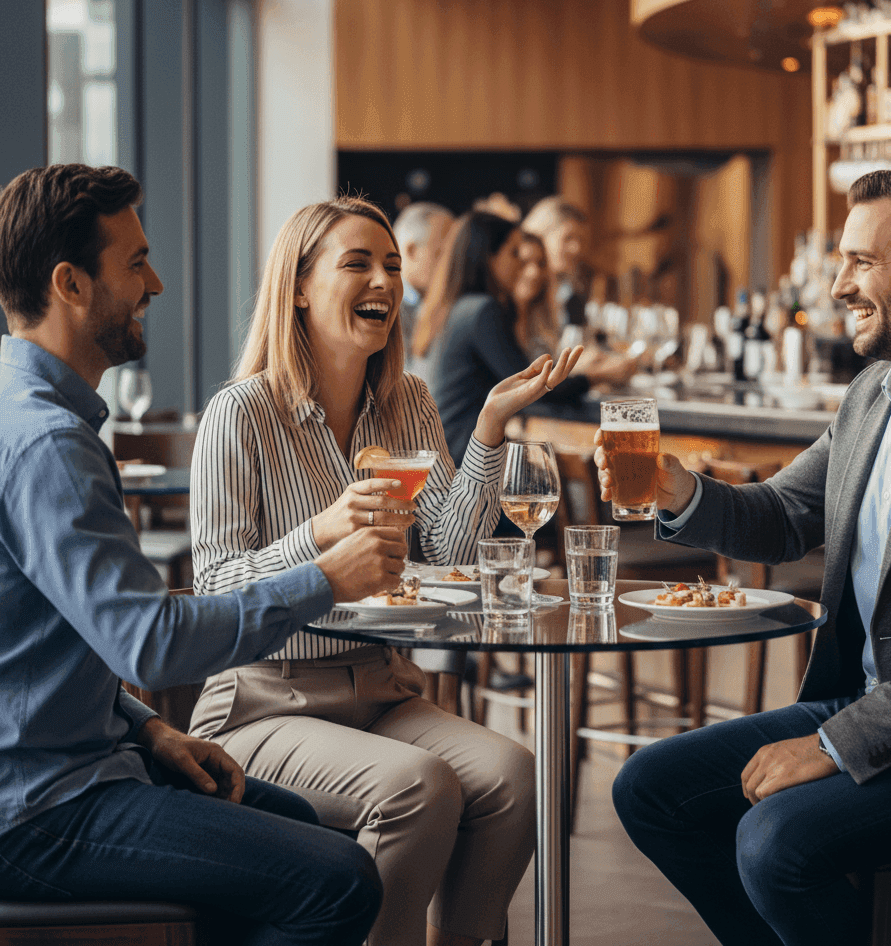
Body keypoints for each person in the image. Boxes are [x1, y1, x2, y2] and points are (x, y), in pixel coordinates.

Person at [601, 166, 891, 946]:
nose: (837, 285)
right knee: (650, 789)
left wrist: (834, 745)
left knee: (775, 843)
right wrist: (673, 489)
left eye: (863, 261)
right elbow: (782, 518)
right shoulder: (874, 394)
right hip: (865, 704)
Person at [0, 164, 398, 945]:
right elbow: (149, 643)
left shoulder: (26, 410)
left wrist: (146, 729)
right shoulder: (49, 444)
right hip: (37, 808)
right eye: (135, 261)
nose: (155, 282)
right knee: (340, 879)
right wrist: (325, 579)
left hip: (67, 760)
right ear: (70, 284)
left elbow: (39, 644)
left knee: (294, 824)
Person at [188, 195, 582, 946]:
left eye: (394, 265)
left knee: (513, 776)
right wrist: (319, 537)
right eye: (358, 263)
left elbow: (450, 556)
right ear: (299, 286)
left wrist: (491, 429)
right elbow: (213, 592)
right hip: (265, 704)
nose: (384, 281)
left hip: (384, 688)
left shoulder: (407, 404)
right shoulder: (241, 414)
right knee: (419, 788)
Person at [413, 210, 590, 467]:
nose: (521, 263)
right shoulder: (483, 310)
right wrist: (593, 377)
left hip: (445, 456)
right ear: (490, 257)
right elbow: (532, 387)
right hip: (465, 462)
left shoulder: (457, 307)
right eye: (514, 253)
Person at [512, 231, 638, 387]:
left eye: (541, 264)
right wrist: (591, 373)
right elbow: (528, 387)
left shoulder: (539, 317)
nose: (534, 272)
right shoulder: (494, 316)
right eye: (523, 262)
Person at [392, 200, 454, 378]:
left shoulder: (442, 303)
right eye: (441, 253)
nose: (450, 265)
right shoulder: (388, 307)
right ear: (411, 251)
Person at [521, 195, 593, 328]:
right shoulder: (524, 291)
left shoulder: (565, 288)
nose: (577, 248)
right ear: (539, 236)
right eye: (568, 238)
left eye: (581, 240)